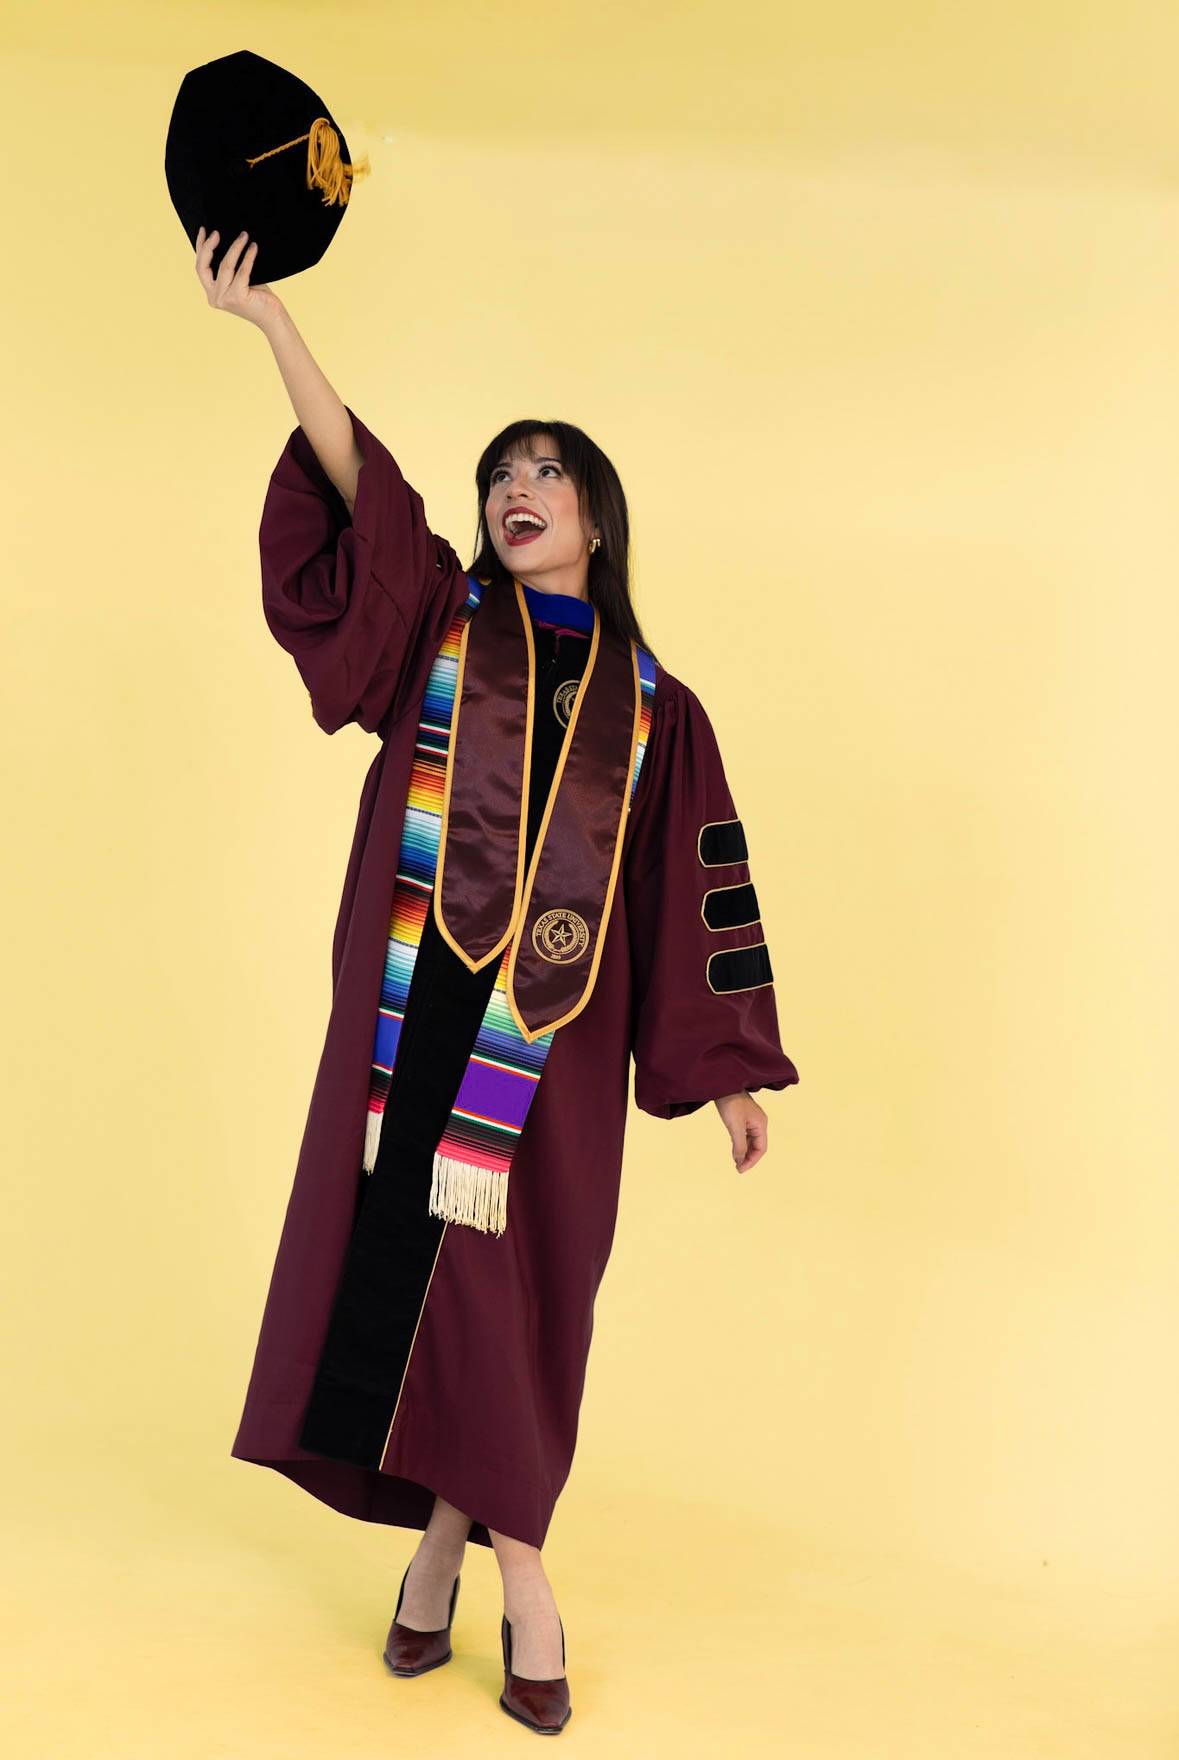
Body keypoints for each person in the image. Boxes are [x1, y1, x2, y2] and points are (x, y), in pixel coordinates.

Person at [197, 225, 799, 1734]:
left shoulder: (663, 712)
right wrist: (274, 328)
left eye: (546, 473)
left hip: (560, 1056)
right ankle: (525, 1585)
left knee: (520, 1310)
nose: (514, 492)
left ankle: (443, 1556)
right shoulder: (436, 628)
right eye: (500, 475)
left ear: (596, 515)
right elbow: (368, 501)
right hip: (417, 1024)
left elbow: (695, 892)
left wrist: (722, 1067)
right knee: (428, 1293)